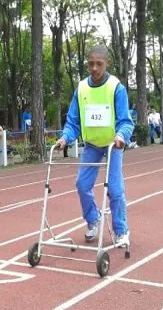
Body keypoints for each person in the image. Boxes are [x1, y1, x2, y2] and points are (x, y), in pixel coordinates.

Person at [56, 45, 134, 245]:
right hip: (91, 145)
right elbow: (73, 121)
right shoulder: (81, 89)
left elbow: (126, 121)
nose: (94, 68)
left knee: (115, 189)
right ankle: (93, 219)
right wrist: (65, 138)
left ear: (106, 63)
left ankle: (121, 230)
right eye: (91, 64)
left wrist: (121, 136)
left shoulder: (116, 88)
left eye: (99, 64)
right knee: (82, 185)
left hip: (112, 145)